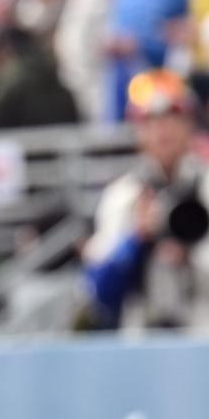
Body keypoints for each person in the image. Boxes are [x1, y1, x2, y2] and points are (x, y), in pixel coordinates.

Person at [83, 70, 209, 330]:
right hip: (143, 337)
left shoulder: (206, 187)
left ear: (189, 125)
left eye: (173, 118)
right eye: (152, 121)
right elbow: (98, 292)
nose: (163, 130)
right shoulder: (124, 196)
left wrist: (190, 253)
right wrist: (136, 239)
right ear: (139, 131)